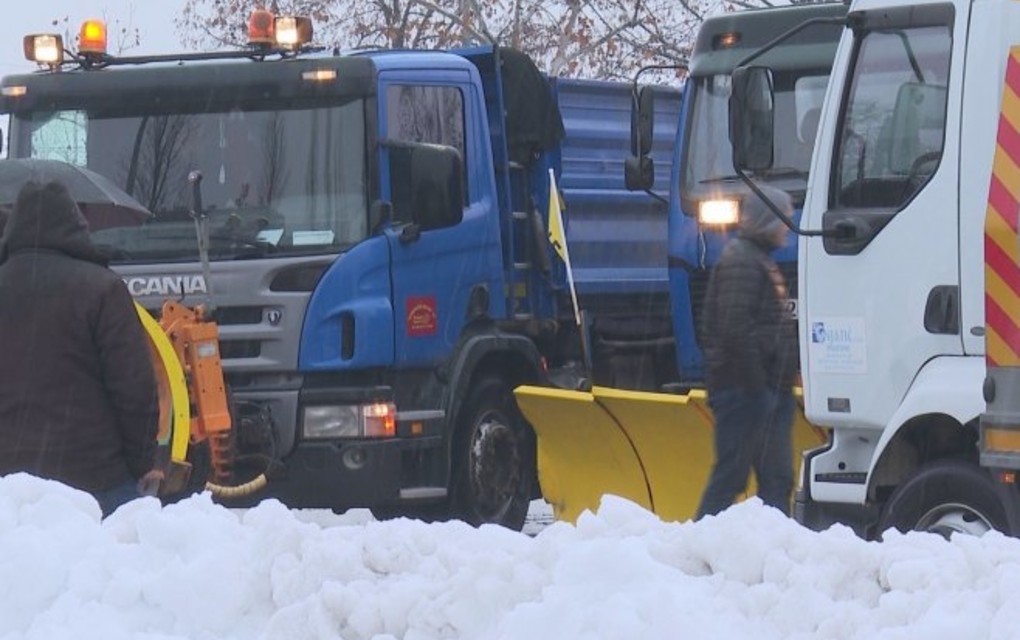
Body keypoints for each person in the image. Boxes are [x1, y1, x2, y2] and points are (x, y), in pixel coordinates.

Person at [0, 179, 163, 517]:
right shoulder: (103, 290)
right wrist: (140, 464)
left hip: (8, 485)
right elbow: (135, 390)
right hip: (94, 479)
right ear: (76, 227)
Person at [695, 184, 800, 519]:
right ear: (768, 220)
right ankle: (698, 542)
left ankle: (772, 549)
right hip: (746, 393)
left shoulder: (756, 260)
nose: (788, 226)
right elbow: (735, 329)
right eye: (784, 218)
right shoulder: (743, 262)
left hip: (761, 391)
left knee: (775, 478)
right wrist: (759, 390)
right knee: (732, 477)